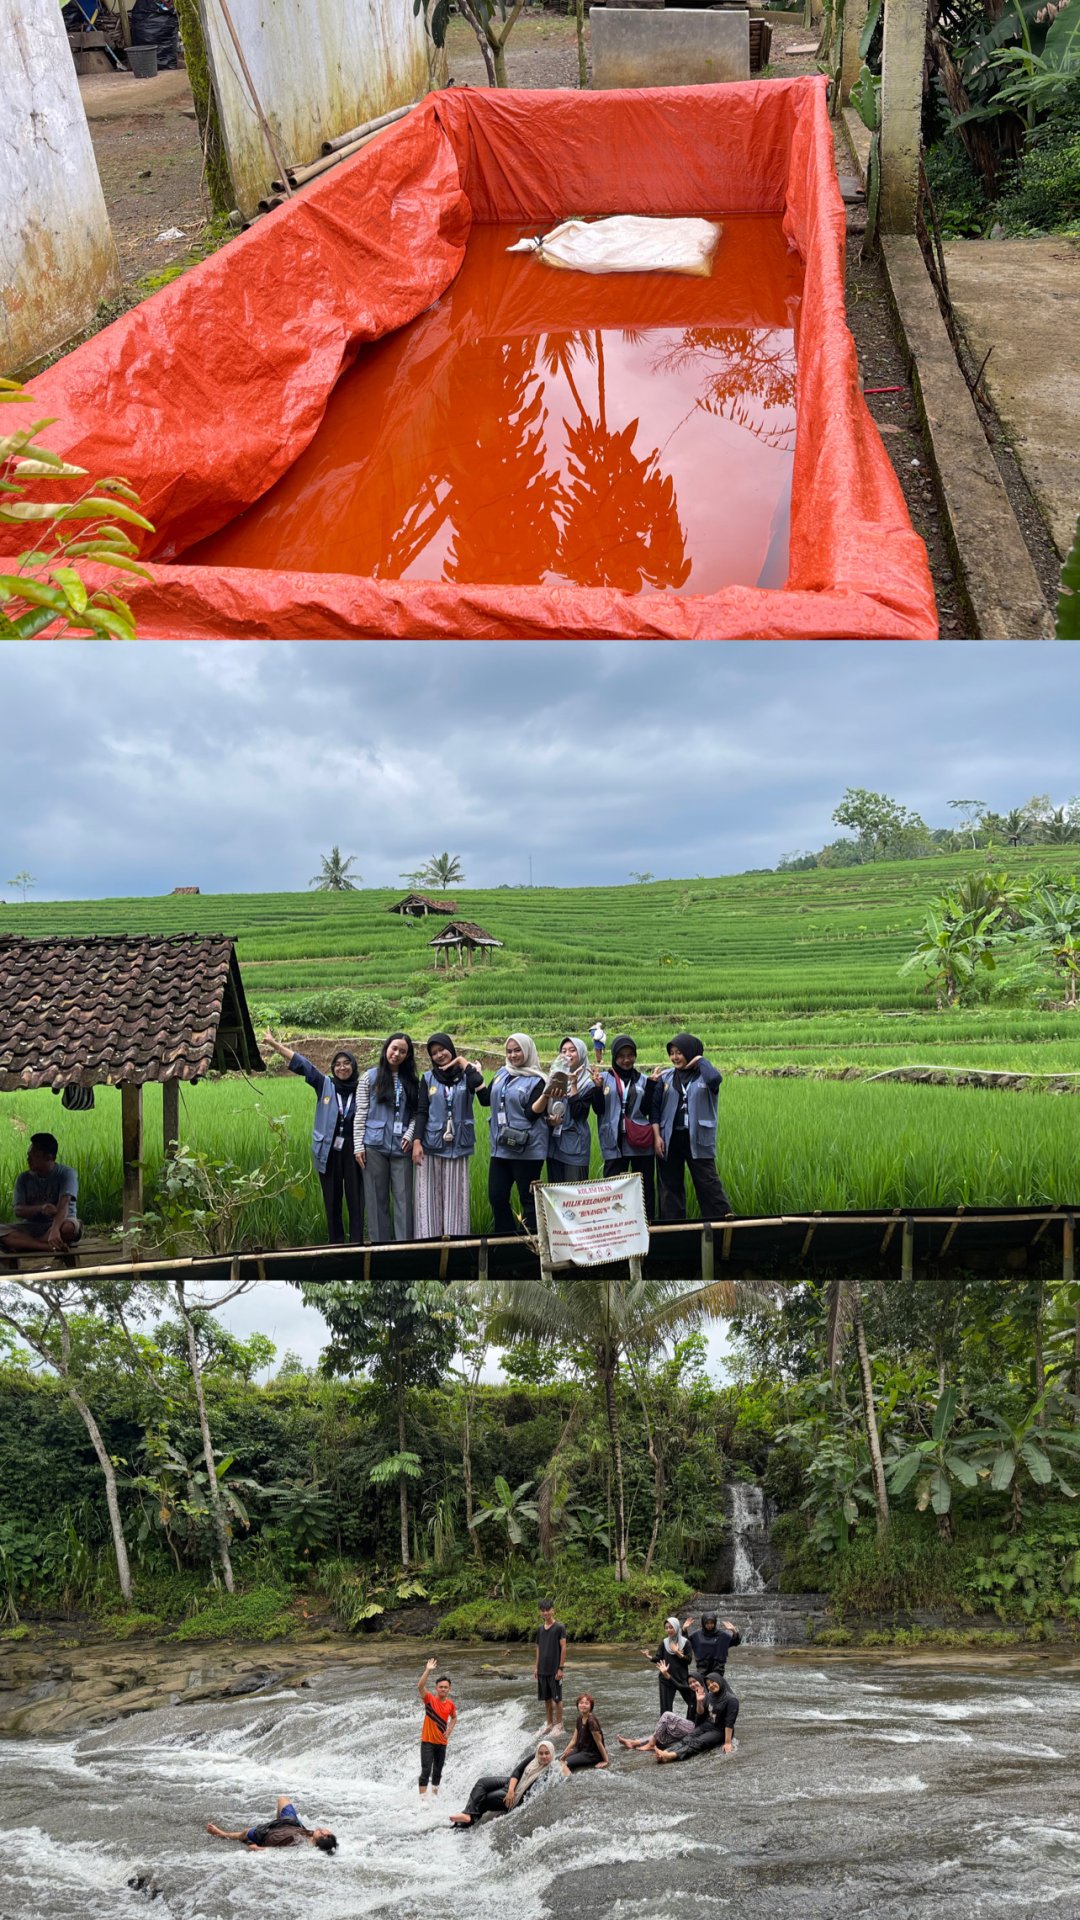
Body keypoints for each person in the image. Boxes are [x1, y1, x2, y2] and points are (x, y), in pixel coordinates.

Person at [263, 1029, 363, 1245]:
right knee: (332, 1200)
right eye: (337, 1064)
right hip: (328, 1151)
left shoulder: (362, 1088)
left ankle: (356, 1244)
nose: (342, 1067)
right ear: (333, 1068)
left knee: (356, 1200)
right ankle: (336, 1244)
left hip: (354, 1151)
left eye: (347, 1063)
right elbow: (303, 1065)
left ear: (353, 1066)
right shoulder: (325, 1085)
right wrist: (274, 1045)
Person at [643, 1033, 732, 1225]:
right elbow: (655, 1110)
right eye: (672, 1053)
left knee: (708, 1184)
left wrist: (700, 1060)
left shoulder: (706, 1076)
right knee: (669, 1188)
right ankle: (674, 1232)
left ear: (691, 1052)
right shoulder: (665, 1077)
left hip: (697, 1138)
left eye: (680, 1053)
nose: (675, 1057)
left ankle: (722, 1227)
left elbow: (716, 1079)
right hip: (670, 1138)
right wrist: (657, 1137)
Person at [412, 1034, 483, 1239]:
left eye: (442, 1049)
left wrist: (465, 1063)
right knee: (428, 1200)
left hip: (458, 1145)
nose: (439, 1055)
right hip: (431, 1144)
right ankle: (428, 1245)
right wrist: (417, 1141)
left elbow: (484, 1097)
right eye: (434, 1053)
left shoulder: (467, 1074)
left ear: (450, 1048)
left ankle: (456, 1246)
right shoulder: (427, 1078)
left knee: (455, 1199)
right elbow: (422, 1111)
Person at [476, 1034, 548, 1235]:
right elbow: (486, 1100)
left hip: (528, 1149)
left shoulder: (539, 1080)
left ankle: (531, 1245)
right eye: (509, 1051)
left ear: (527, 1051)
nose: (513, 1055)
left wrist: (547, 1094)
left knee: (528, 1201)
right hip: (501, 1147)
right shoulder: (502, 1073)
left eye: (518, 1050)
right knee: (497, 1196)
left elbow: (532, 1114)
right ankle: (506, 1241)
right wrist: (478, 1077)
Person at [355, 1033, 419, 1241]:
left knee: (403, 1199)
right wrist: (358, 1146)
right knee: (375, 1199)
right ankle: (380, 1248)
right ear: (386, 1049)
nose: (397, 1054)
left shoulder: (412, 1081)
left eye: (403, 1051)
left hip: (403, 1147)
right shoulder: (369, 1077)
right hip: (374, 1146)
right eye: (394, 1048)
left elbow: (419, 1112)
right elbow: (361, 1113)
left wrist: (410, 1134)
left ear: (408, 1056)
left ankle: (404, 1247)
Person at [596, 1034, 658, 1222]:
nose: (626, 1060)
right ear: (614, 1057)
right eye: (621, 1056)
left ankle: (648, 1227)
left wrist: (652, 1087)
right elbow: (598, 1109)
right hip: (613, 1141)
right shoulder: (603, 1078)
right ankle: (614, 1227)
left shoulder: (644, 1080)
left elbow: (647, 1110)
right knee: (612, 1188)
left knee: (644, 1188)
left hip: (640, 1141)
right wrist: (597, 1089)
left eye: (630, 1055)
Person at [533, 1037, 603, 1183]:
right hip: (554, 1145)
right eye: (563, 1051)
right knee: (556, 1195)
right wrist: (549, 1120)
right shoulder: (554, 1079)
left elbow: (579, 1113)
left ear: (582, 1054)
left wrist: (574, 1084)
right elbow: (544, 1108)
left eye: (572, 1050)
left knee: (574, 1196)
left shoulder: (588, 1085)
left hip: (575, 1148)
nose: (567, 1054)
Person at [0, 1134, 82, 1254]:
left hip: (59, 1223)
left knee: (69, 1228)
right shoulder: (23, 1178)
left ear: (48, 1157)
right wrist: (41, 1209)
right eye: (28, 1156)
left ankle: (23, 1243)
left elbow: (64, 1204)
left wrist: (54, 1229)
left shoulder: (66, 1174)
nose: (28, 1160)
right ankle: (45, 1246)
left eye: (33, 1156)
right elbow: (18, 1210)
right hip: (31, 1227)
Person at [449, 1740, 555, 1827]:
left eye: (547, 1753)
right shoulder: (535, 1757)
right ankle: (467, 1814)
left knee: (485, 1800)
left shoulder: (548, 1771)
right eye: (541, 1753)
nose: (543, 1756)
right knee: (482, 1782)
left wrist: (512, 1794)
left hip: (516, 1798)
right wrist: (510, 1790)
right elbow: (518, 1770)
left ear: (552, 1753)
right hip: (512, 1785)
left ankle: (460, 1826)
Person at [654, 1672, 739, 1762]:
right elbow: (701, 1713)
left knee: (699, 1742)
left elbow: (730, 1723)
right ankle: (665, 1752)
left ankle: (671, 1755)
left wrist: (728, 1742)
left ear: (719, 1681)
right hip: (707, 1725)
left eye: (713, 1682)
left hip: (720, 1730)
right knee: (688, 1738)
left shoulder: (731, 1700)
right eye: (708, 1684)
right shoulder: (710, 1696)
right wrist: (699, 1701)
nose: (711, 1685)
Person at [206, 1795, 337, 1852]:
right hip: (290, 1824)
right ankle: (276, 1822)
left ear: (319, 1839)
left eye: (322, 1832)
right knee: (283, 1800)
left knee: (245, 1833)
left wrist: (258, 1848)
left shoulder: (301, 1846)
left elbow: (279, 1852)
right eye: (327, 1831)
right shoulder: (311, 1835)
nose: (322, 1829)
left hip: (267, 1835)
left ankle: (222, 1834)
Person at [617, 1676, 708, 1752]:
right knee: (664, 1733)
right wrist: (666, 1674)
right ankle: (634, 1743)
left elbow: (701, 1713)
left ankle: (651, 1744)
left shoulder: (706, 1696)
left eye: (694, 1681)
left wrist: (699, 1701)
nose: (692, 1684)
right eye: (690, 1683)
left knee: (667, 1715)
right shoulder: (692, 1694)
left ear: (700, 1681)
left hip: (697, 1729)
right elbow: (679, 1686)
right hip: (689, 1726)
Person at [417, 1655, 457, 1798]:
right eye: (441, 1687)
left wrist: (450, 1729)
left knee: (438, 1771)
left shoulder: (451, 1704)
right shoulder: (429, 1700)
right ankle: (422, 1800)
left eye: (446, 1687)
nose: (443, 1689)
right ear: (436, 1688)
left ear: (449, 1689)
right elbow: (420, 1686)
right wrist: (427, 1670)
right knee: (426, 1770)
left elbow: (454, 1717)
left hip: (442, 1742)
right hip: (427, 1741)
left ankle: (434, 1796)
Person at [640, 1615, 694, 1714]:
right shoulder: (664, 1643)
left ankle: (694, 1723)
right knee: (666, 1709)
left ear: (676, 1627)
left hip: (682, 1678)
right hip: (665, 1679)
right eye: (666, 1628)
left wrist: (677, 1652)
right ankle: (666, 1727)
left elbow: (689, 1661)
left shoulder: (686, 1643)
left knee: (692, 1702)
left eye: (671, 1627)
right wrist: (649, 1657)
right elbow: (659, 1658)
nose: (668, 1630)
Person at [535, 1598, 568, 1733]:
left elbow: (564, 1647)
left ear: (552, 1610)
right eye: (543, 1611)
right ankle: (549, 1723)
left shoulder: (559, 1627)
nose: (545, 1613)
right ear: (540, 1613)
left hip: (555, 1670)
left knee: (557, 1699)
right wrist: (536, 1667)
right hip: (543, 1669)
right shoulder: (539, 1629)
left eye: (548, 1610)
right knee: (547, 1699)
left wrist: (561, 1668)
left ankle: (559, 1724)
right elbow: (538, 1648)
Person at [683, 1610, 741, 1680]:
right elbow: (685, 1644)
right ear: (703, 1623)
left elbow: (735, 1642)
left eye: (712, 1623)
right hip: (702, 1668)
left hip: (717, 1668)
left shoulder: (721, 1635)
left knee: (715, 1687)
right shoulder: (697, 1635)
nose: (709, 1625)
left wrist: (734, 1631)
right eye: (707, 1623)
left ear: (715, 1623)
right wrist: (684, 1629)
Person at [560, 1693, 609, 1774]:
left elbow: (599, 1743)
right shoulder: (579, 1718)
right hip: (580, 1749)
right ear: (577, 1705)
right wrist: (564, 1753)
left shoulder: (591, 1721)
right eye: (581, 1703)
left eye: (586, 1703)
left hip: (591, 1754)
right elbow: (573, 1741)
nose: (583, 1705)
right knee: (559, 1760)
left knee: (563, 1763)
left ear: (591, 1706)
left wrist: (605, 1760)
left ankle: (569, 1780)